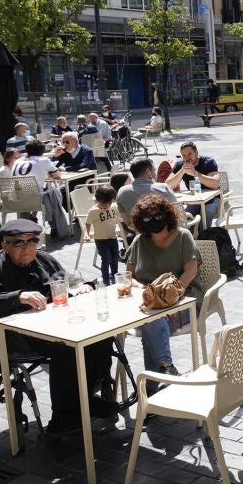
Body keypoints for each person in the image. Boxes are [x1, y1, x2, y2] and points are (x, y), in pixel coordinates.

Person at [0, 219, 115, 438]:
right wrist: (17, 297)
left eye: (32, 241)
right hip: (16, 335)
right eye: (18, 243)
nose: (27, 247)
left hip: (53, 325)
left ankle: (85, 398)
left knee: (100, 337)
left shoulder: (44, 260)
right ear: (4, 245)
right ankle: (62, 416)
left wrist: (83, 288)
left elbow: (67, 283)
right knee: (66, 349)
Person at [124, 194, 201, 382]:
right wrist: (143, 290)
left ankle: (155, 383)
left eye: (157, 216)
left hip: (183, 301)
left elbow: (190, 272)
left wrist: (168, 298)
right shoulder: (139, 241)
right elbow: (128, 276)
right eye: (147, 218)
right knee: (152, 320)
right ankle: (163, 374)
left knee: (152, 321)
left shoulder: (183, 236)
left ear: (166, 215)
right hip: (147, 303)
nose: (153, 221)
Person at [114, 158, 177, 233]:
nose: (155, 172)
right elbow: (175, 210)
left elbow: (127, 222)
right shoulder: (163, 188)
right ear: (148, 172)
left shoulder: (122, 191)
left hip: (140, 234)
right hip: (164, 232)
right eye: (154, 169)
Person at [167, 142, 220, 218]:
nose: (187, 157)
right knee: (184, 215)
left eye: (190, 154)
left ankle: (203, 230)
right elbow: (168, 186)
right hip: (194, 200)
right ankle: (193, 230)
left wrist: (195, 173)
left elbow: (215, 184)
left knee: (206, 212)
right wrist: (182, 171)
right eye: (184, 155)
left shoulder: (208, 162)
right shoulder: (180, 165)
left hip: (213, 199)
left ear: (196, 153)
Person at [84, 186, 122, 285]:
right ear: (97, 200)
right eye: (103, 204)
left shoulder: (114, 207)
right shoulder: (93, 211)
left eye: (109, 203)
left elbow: (121, 216)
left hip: (112, 237)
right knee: (106, 258)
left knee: (115, 256)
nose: (106, 206)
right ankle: (105, 278)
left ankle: (115, 274)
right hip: (101, 239)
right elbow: (87, 224)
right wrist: (86, 234)